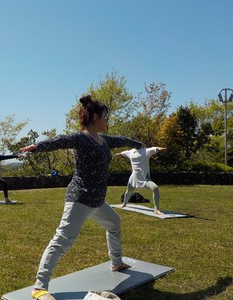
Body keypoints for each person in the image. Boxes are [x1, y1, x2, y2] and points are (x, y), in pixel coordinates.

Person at [20, 95, 143, 300]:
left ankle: (116, 262)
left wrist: (137, 144)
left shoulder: (104, 140)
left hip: (97, 201)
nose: (107, 121)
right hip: (79, 199)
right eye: (105, 117)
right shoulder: (82, 138)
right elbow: (60, 140)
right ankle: (39, 288)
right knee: (61, 241)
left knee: (114, 223)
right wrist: (38, 146)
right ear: (95, 117)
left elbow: (122, 139)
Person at [116, 140, 167, 215]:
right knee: (129, 191)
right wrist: (119, 154)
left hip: (144, 178)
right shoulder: (131, 152)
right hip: (134, 177)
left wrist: (160, 148)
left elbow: (155, 148)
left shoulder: (146, 151)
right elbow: (123, 153)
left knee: (155, 188)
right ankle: (124, 204)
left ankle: (156, 209)